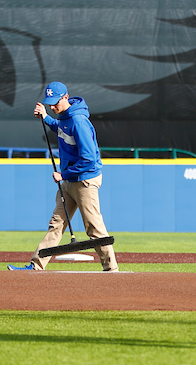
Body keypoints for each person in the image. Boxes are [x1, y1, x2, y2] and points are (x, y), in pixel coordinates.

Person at [8, 81, 118, 272]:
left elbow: (89, 159)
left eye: (55, 103)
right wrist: (46, 117)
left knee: (94, 227)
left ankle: (111, 269)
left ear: (66, 98)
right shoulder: (65, 118)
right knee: (56, 224)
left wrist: (64, 174)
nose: (52, 106)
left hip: (84, 180)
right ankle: (36, 266)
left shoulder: (79, 121)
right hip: (68, 180)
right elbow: (61, 127)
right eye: (49, 103)